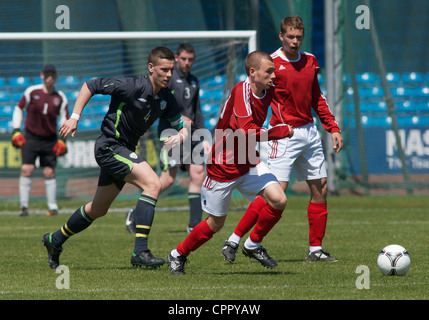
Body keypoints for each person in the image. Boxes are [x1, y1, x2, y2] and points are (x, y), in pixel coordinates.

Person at [42, 47, 188, 270]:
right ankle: (140, 251)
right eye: (164, 70)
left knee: (98, 209)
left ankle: (55, 239)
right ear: (151, 68)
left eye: (171, 70)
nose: (168, 74)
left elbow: (182, 126)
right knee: (153, 183)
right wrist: (74, 118)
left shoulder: (166, 98)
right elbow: (90, 85)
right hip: (109, 146)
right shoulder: (132, 86)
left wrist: (179, 136)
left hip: (124, 149)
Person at [222, 16, 343, 263]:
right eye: (290, 36)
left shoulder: (310, 61)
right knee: (274, 194)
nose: (295, 41)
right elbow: (254, 94)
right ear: (281, 36)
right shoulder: (272, 64)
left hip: (309, 132)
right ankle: (236, 239)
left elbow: (316, 97)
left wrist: (332, 127)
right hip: (283, 134)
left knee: (320, 188)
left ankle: (315, 250)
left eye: (299, 37)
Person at [166, 51, 294, 275]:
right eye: (269, 71)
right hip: (223, 166)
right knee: (215, 224)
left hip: (249, 161)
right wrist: (279, 131)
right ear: (252, 73)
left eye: (274, 71)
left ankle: (252, 244)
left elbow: (283, 95)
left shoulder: (268, 89)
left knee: (278, 199)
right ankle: (177, 254)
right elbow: (246, 131)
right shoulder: (240, 91)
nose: (273, 76)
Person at [125, 43, 210, 234]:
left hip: (192, 135)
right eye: (184, 59)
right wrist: (179, 118)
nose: (187, 63)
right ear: (177, 58)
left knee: (198, 174)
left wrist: (203, 133)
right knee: (168, 179)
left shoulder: (194, 81)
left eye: (190, 59)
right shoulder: (168, 80)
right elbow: (159, 106)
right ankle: (136, 212)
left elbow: (197, 111)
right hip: (171, 134)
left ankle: (194, 225)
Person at [11, 64, 69, 217]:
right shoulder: (32, 91)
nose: (50, 77)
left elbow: (65, 120)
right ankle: (24, 206)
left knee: (49, 172)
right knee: (26, 169)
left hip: (50, 139)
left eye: (53, 74)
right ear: (42, 75)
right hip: (31, 136)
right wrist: (16, 130)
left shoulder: (60, 97)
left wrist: (63, 140)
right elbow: (19, 108)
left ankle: (52, 206)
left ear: (56, 77)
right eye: (47, 74)